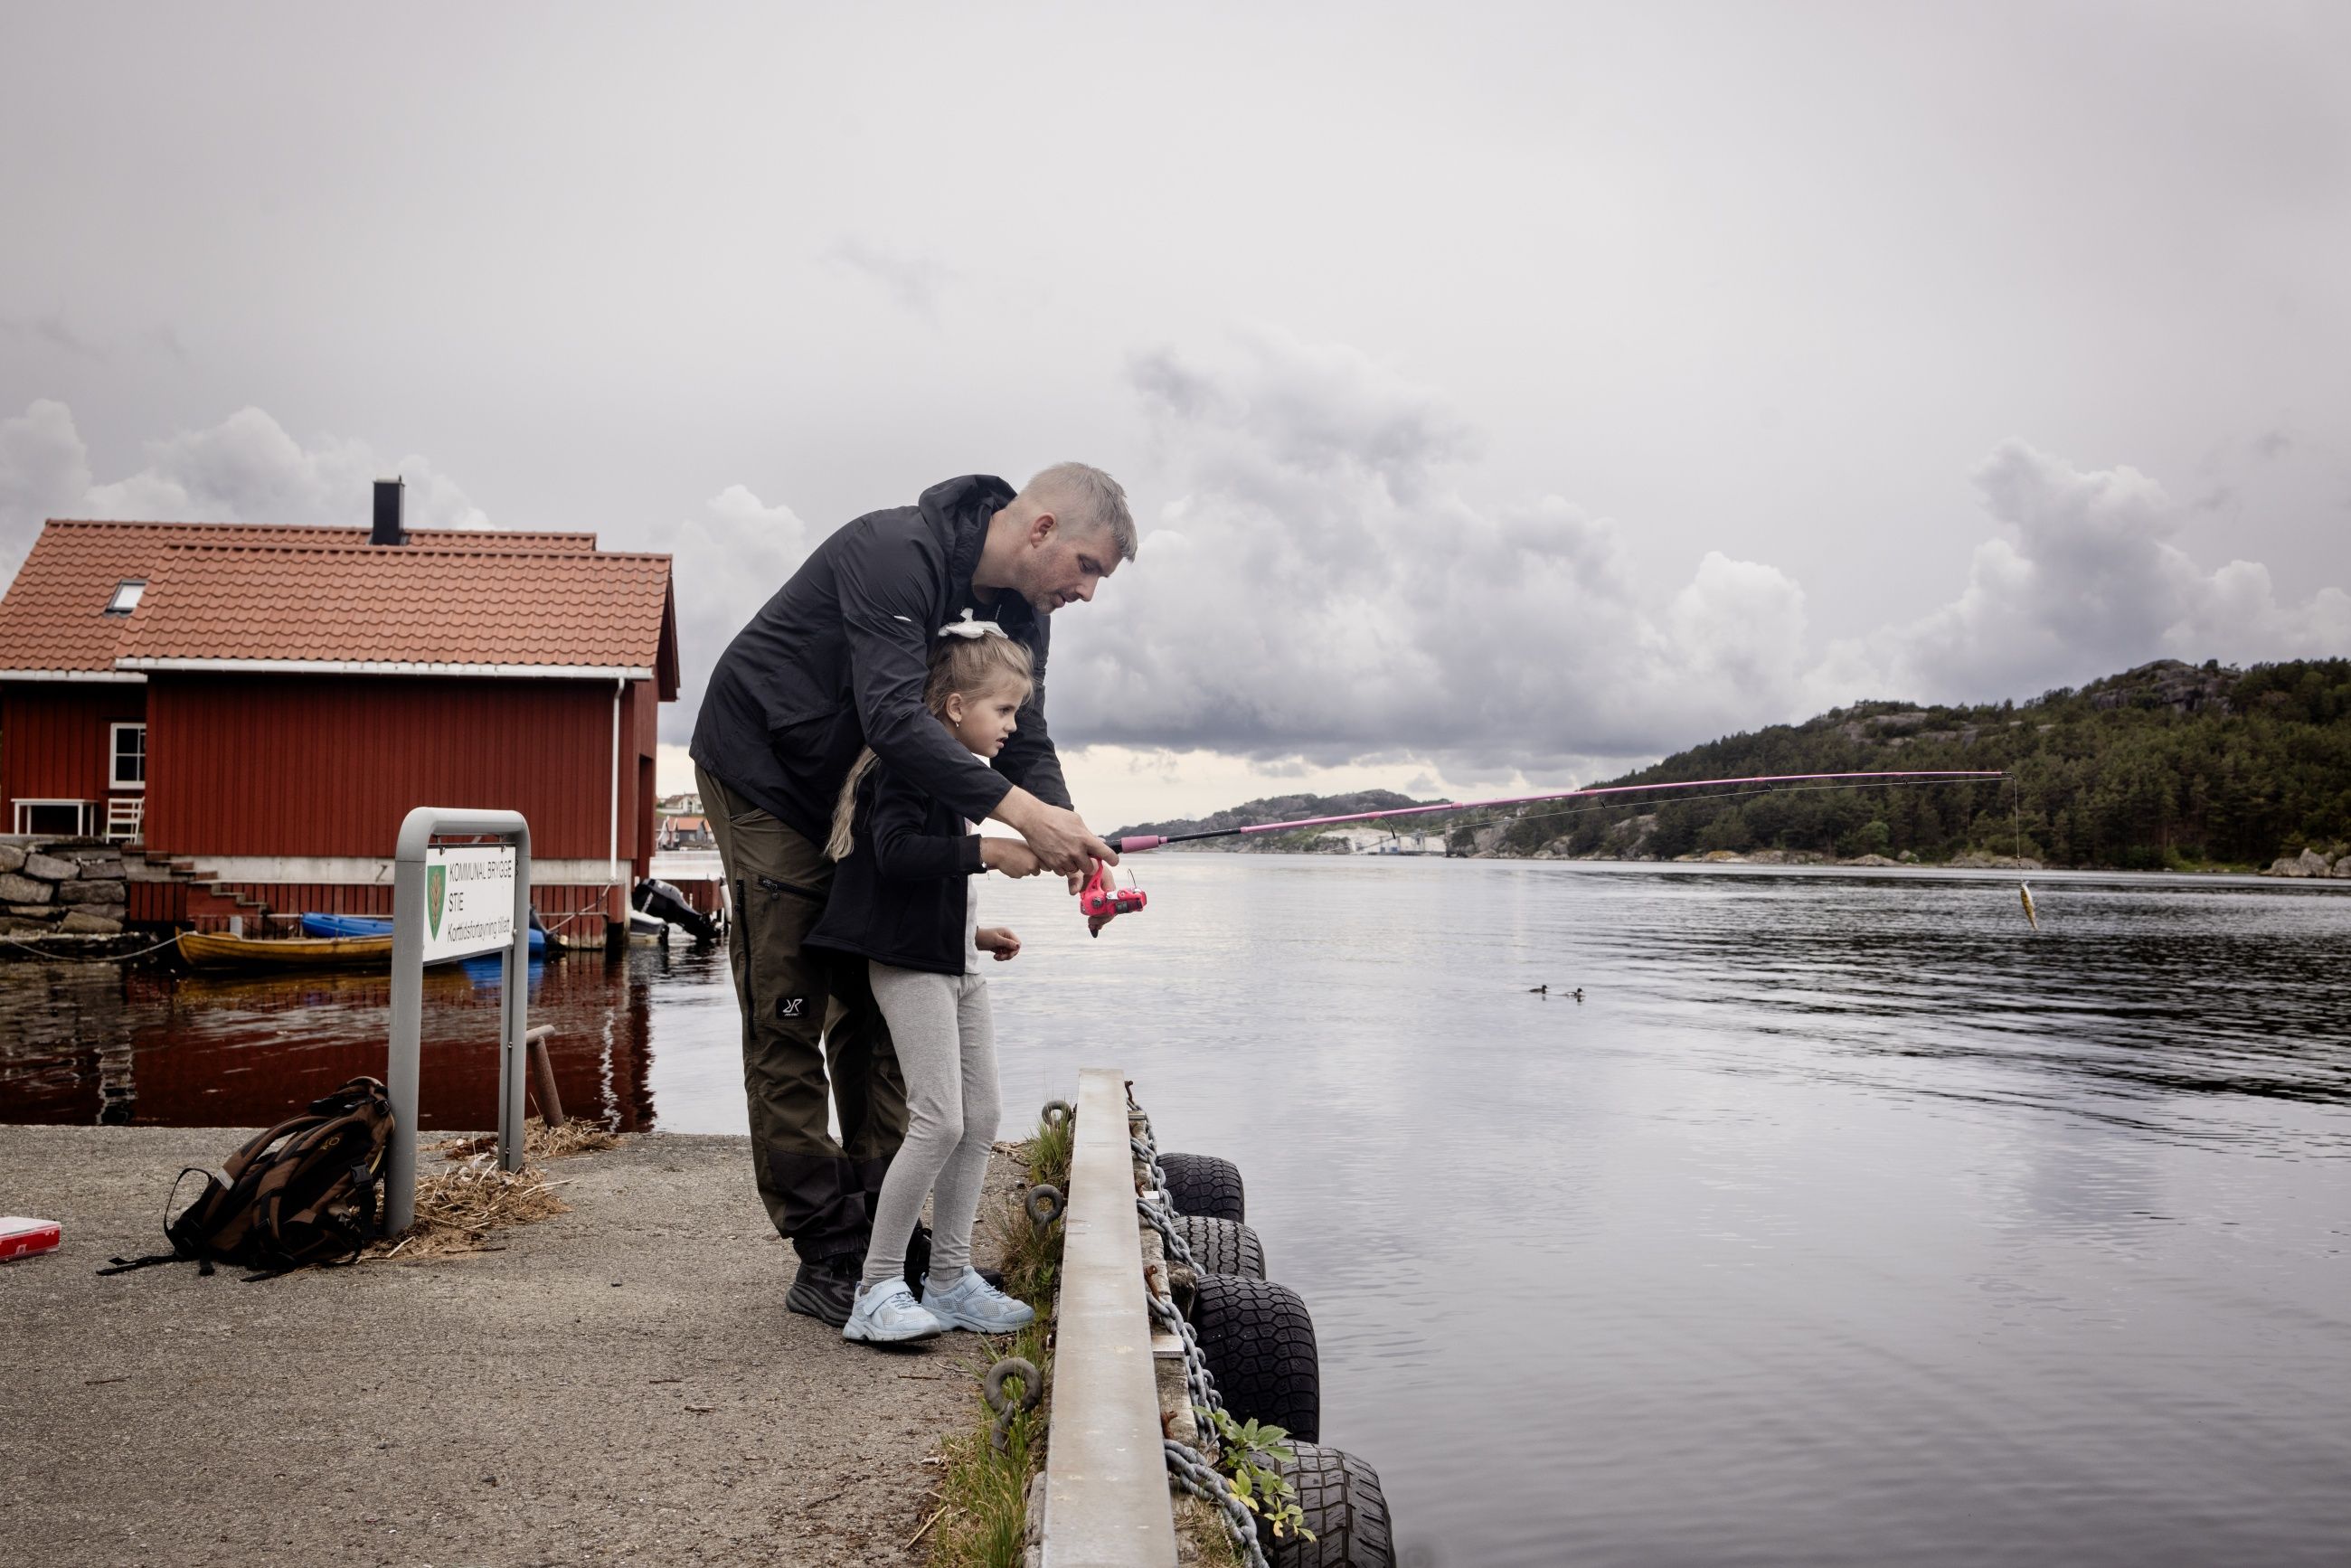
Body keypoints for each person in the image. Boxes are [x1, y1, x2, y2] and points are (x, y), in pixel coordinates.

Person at [688, 466, 1135, 1327]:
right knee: (789, 1009)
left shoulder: (1024, 611)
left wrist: (1070, 834)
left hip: (869, 793)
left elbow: (1025, 738)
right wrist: (1015, 822)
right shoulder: (894, 551)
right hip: (770, 775)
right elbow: (895, 716)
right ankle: (828, 1249)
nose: (1086, 592)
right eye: (1086, 567)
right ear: (1041, 528)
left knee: (879, 1011)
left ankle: (883, 1243)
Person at [805, 620, 1042, 1342]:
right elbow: (898, 855)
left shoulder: (951, 778)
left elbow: (921, 887)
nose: (1012, 725)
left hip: (955, 963)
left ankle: (949, 1280)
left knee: (983, 1117)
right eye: (1003, 709)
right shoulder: (906, 767)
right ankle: (876, 1290)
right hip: (910, 968)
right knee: (939, 1120)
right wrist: (988, 849)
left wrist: (976, 932)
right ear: (956, 706)